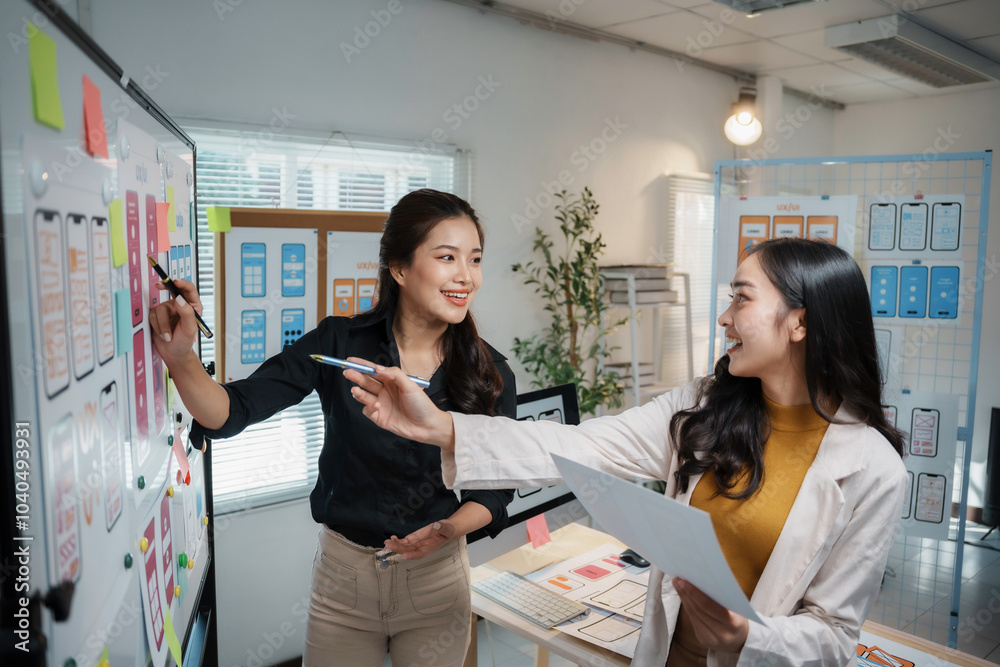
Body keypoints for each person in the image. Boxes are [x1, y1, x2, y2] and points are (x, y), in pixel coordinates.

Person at [348, 237, 909, 666]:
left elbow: (835, 636)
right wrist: (444, 427)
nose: (724, 317)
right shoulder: (706, 404)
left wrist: (746, 634)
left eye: (742, 298)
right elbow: (581, 444)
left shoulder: (872, 470)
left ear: (801, 323)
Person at [148, 189, 516, 666]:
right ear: (399, 269)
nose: (466, 276)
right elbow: (229, 411)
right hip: (344, 581)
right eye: (447, 257)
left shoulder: (491, 374)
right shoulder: (339, 343)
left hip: (437, 580)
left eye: (475, 259)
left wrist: (447, 529)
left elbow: (497, 488)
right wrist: (179, 357)